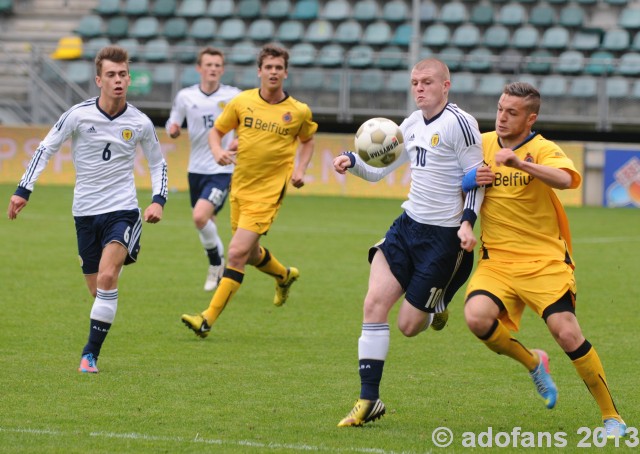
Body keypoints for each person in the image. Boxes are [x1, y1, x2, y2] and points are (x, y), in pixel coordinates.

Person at [463, 81, 627, 438]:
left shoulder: (542, 148)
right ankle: (535, 364)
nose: (502, 117)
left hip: (544, 262)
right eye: (500, 109)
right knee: (476, 318)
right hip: (497, 262)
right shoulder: (481, 144)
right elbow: (451, 179)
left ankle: (611, 416)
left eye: (512, 112)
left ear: (530, 117)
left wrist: (522, 164)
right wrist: (470, 177)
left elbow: (567, 180)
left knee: (566, 333)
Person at [333, 58, 485, 427]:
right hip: (407, 227)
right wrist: (351, 161)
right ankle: (369, 399)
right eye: (415, 82)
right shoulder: (411, 124)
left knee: (409, 326)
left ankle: (439, 302)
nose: (419, 88)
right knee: (373, 304)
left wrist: (467, 223)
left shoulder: (461, 124)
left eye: (427, 82)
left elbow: (478, 178)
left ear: (445, 85)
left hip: (444, 238)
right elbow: (378, 171)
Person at [6, 45, 168, 374]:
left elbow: (158, 162)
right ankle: (101, 319)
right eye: (111, 75)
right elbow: (46, 148)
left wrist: (158, 199)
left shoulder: (139, 122)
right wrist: (24, 188)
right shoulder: (78, 115)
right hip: (84, 213)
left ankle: (89, 355)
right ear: (99, 79)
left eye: (123, 74)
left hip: (123, 210)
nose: (119, 80)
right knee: (98, 290)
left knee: (108, 277)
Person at [180, 43, 317, 337]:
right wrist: (217, 150)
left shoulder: (298, 111)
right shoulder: (242, 102)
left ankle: (206, 319)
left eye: (279, 67)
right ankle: (284, 275)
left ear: (285, 73)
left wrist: (300, 170)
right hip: (239, 187)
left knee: (237, 253)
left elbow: (308, 141)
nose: (273, 72)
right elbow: (217, 131)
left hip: (268, 193)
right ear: (259, 71)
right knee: (252, 253)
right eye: (268, 67)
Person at [166, 47, 241, 292]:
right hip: (195, 169)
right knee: (207, 221)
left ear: (222, 69)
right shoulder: (186, 96)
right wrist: (174, 127)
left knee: (200, 217)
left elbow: (246, 123)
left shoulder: (234, 96)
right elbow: (172, 119)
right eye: (208, 65)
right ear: (199, 68)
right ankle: (218, 267)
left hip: (222, 168)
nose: (213, 69)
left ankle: (216, 264)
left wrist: (239, 139)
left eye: (217, 65)